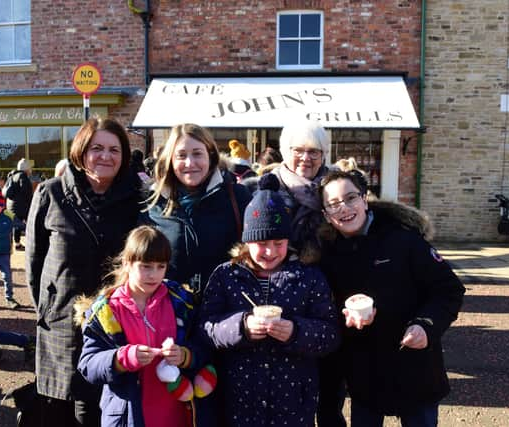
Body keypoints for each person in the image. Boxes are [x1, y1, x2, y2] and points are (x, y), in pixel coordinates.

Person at [316, 169, 465, 427]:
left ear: (364, 199)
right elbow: (325, 310)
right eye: (333, 204)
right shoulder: (328, 255)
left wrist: (426, 326)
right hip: (365, 376)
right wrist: (344, 317)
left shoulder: (404, 239)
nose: (344, 208)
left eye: (350, 198)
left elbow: (448, 289)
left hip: (415, 368)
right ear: (326, 215)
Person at [26, 117, 144, 427]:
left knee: (104, 410)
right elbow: (34, 264)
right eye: (97, 148)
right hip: (62, 323)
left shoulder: (138, 200)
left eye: (114, 150)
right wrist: (48, 309)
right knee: (59, 411)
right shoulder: (51, 193)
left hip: (116, 324)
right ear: (81, 151)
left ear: (124, 157)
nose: (106, 156)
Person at [198, 174, 340, 427]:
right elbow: (206, 328)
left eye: (279, 243)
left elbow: (330, 334)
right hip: (237, 403)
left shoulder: (308, 277)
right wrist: (241, 327)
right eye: (261, 243)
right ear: (247, 241)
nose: (270, 251)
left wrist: (295, 332)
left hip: (293, 405)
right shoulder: (226, 275)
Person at [76, 226, 217, 427]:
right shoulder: (106, 311)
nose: (154, 274)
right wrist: (121, 358)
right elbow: (88, 364)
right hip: (128, 418)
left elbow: (205, 345)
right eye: (146, 266)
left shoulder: (181, 303)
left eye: (161, 266)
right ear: (127, 263)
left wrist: (185, 356)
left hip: (179, 415)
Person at [146, 123, 251, 300]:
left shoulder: (238, 197)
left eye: (197, 154)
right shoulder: (153, 202)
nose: (190, 163)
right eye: (181, 155)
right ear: (170, 159)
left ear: (210, 156)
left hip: (224, 312)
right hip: (169, 313)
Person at [272, 121, 331, 263]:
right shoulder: (263, 190)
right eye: (298, 150)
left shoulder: (340, 190)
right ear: (285, 152)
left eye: (313, 151)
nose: (305, 158)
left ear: (322, 156)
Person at [3, 158, 33, 250]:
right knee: (29, 225)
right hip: (21, 207)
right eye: (29, 168)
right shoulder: (23, 177)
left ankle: (17, 244)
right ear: (26, 169)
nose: (30, 170)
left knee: (16, 226)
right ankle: (32, 244)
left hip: (11, 206)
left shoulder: (11, 176)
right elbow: (27, 192)